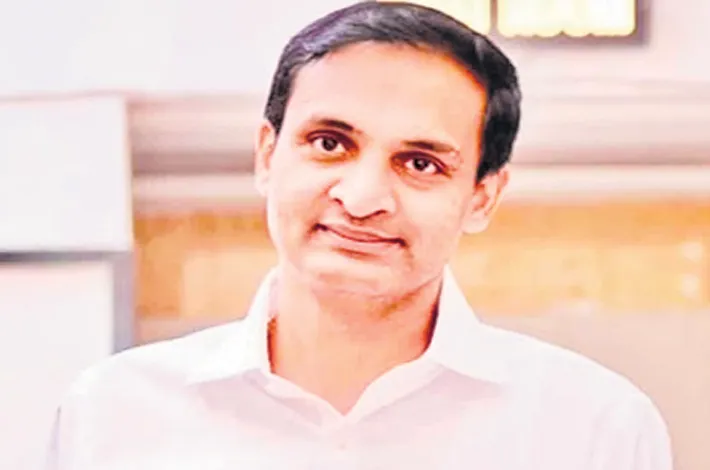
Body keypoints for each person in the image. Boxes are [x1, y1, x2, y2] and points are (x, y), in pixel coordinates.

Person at [47, 2, 673, 469]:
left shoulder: (594, 430)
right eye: (329, 143)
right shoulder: (113, 415)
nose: (362, 197)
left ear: (482, 196)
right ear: (267, 155)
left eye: (420, 163)